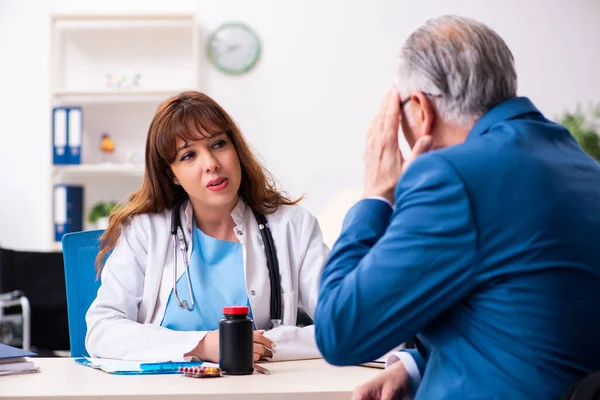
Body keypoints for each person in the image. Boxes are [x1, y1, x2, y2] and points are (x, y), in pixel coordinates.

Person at [314, 15, 600, 400]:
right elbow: (522, 317)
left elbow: (340, 333)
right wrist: (413, 368)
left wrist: (376, 195)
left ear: (419, 109)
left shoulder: (451, 177)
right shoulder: (580, 163)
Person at [86, 91, 329, 363]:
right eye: (189, 155)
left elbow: (345, 327)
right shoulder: (146, 231)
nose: (211, 164)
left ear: (236, 149)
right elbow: (102, 330)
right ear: (172, 174)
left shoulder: (293, 227)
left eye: (218, 144)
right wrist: (200, 345)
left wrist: (262, 345)